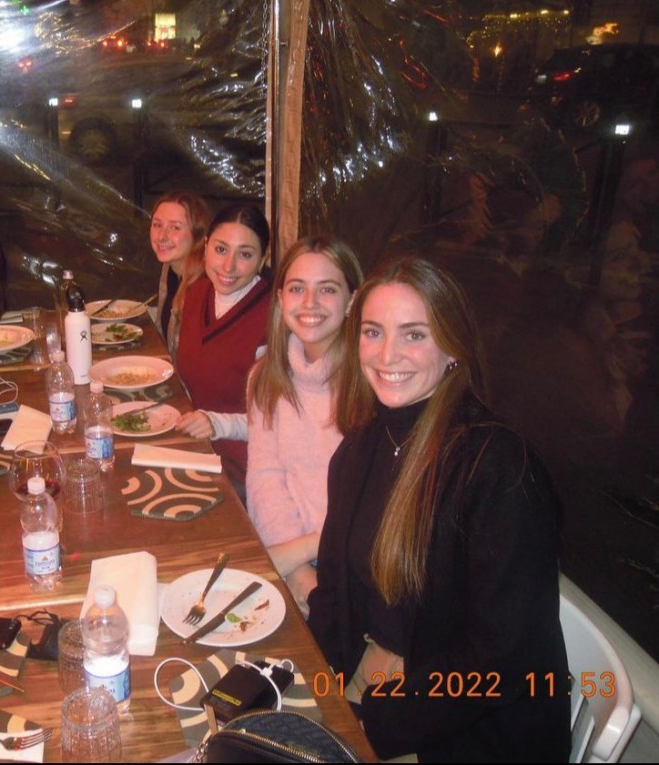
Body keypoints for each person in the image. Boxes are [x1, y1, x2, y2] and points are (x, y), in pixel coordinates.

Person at [307, 257, 570, 761]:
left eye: (414, 335)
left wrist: (372, 723)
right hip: (381, 679)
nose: (387, 354)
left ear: (452, 346)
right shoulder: (362, 446)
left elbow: (501, 660)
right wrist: (308, 678)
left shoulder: (499, 469)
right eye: (373, 332)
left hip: (469, 729)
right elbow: (335, 589)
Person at [245, 236, 362, 616]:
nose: (310, 303)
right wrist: (297, 571)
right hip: (290, 556)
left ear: (352, 301)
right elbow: (265, 477)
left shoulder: (372, 383)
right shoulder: (265, 377)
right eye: (297, 289)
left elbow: (374, 509)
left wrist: (304, 551)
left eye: (327, 289)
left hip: (356, 566)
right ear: (280, 298)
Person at [175, 203, 272, 495]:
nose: (228, 267)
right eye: (220, 249)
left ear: (263, 258)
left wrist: (216, 423)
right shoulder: (197, 294)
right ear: (205, 247)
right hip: (196, 449)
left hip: (244, 470)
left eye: (245, 254)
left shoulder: (274, 317)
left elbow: (276, 422)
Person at [149, 191, 211, 354]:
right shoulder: (169, 268)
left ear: (197, 235)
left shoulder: (204, 286)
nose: (162, 236)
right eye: (157, 225)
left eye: (175, 227)